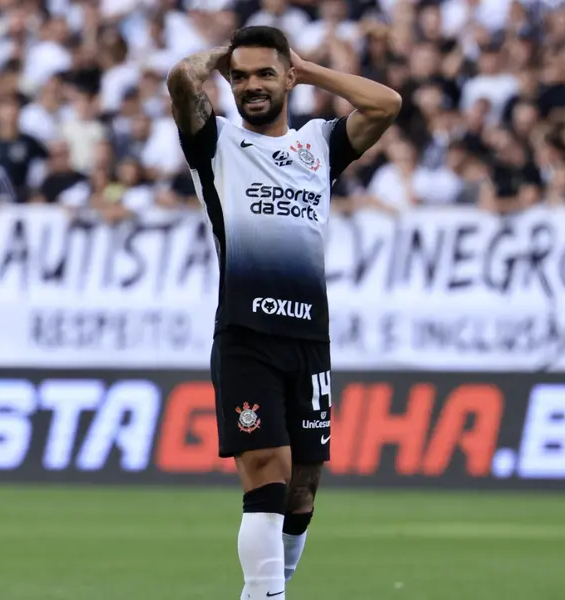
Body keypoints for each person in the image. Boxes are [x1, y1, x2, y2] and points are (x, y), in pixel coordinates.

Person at [166, 26, 401, 599]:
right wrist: (220, 57)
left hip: (309, 339)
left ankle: (271, 589)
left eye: (265, 74)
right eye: (240, 76)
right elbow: (180, 79)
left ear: (288, 79)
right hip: (246, 333)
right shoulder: (215, 144)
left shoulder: (319, 144)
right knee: (267, 469)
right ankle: (267, 596)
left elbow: (387, 103)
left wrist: (307, 67)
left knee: (303, 489)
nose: (252, 86)